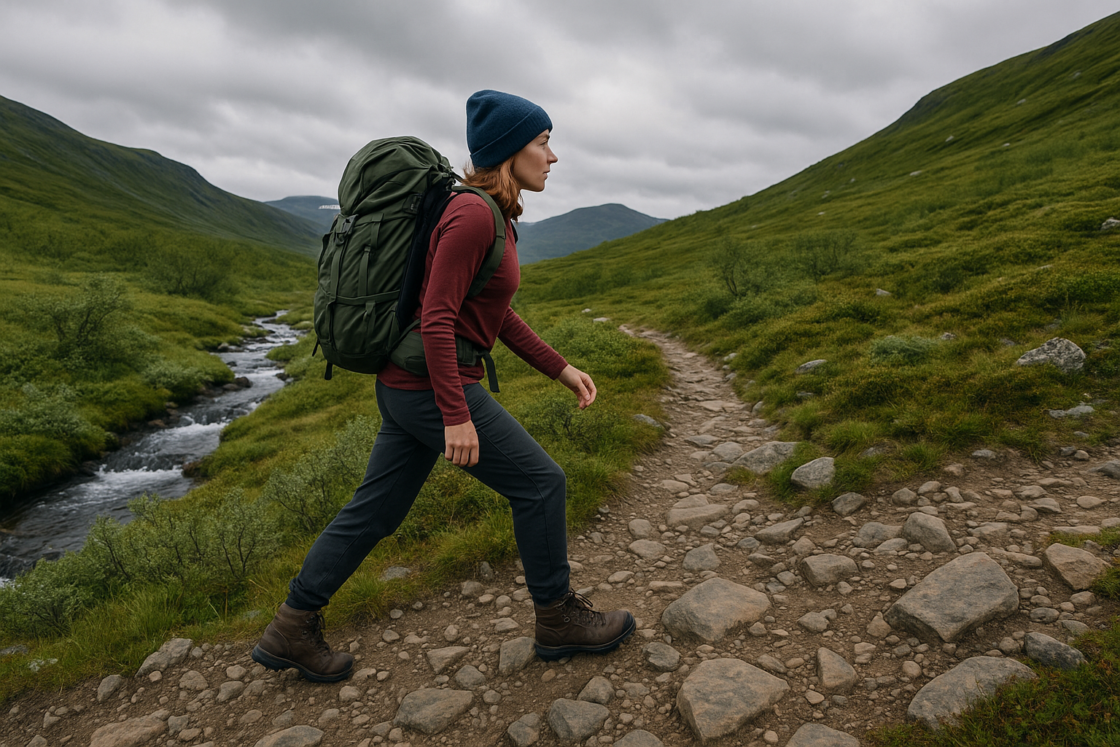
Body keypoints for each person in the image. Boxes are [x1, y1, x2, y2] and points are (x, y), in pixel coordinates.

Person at [252, 90, 635, 683]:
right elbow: (436, 315)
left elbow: (491, 314)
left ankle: (291, 627)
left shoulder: (495, 217)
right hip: (431, 389)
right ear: (510, 152)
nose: (553, 157)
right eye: (543, 142)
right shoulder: (473, 214)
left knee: (375, 510)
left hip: (412, 388)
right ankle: (557, 620)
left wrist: (560, 368)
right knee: (540, 484)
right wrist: (455, 413)